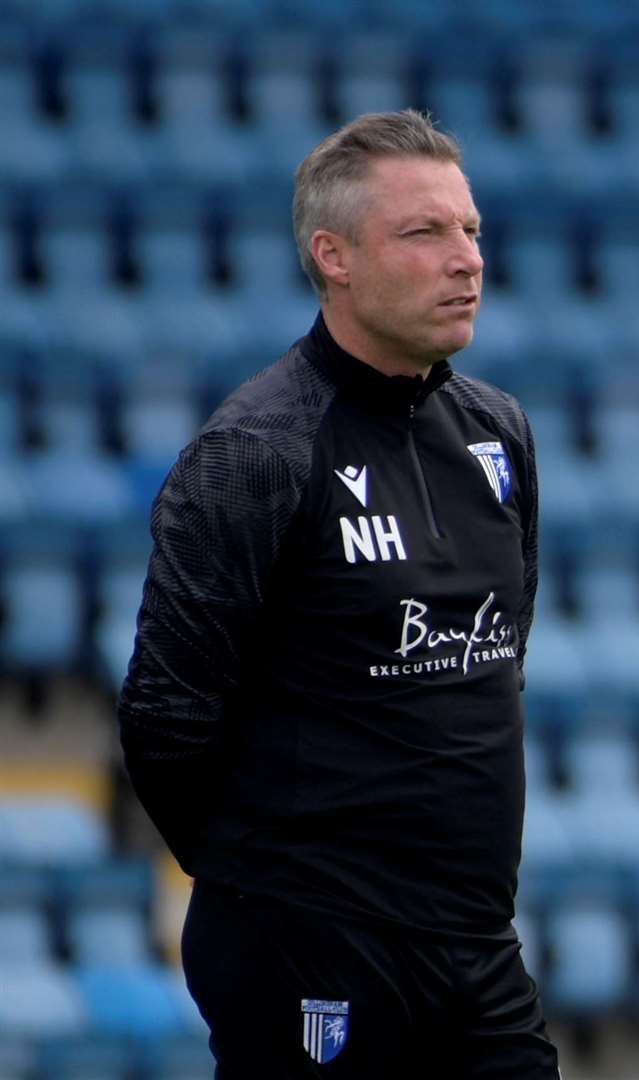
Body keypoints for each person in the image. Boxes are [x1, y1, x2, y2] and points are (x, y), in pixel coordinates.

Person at [116, 110, 554, 1077]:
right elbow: (164, 718)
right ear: (335, 256)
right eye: (425, 233)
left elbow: (499, 657)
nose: (467, 259)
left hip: (476, 948)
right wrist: (284, 887)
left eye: (471, 230)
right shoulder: (257, 454)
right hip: (308, 949)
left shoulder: (500, 434)